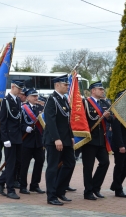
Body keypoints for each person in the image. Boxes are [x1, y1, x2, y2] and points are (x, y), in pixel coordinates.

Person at [43, 74, 75, 206]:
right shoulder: (52, 99)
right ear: (57, 85)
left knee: (70, 163)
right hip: (54, 140)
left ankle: (60, 190)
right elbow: (50, 121)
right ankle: (51, 196)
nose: (67, 87)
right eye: (65, 84)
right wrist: (56, 138)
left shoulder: (63, 99)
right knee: (52, 167)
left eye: (67, 85)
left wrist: (71, 136)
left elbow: (67, 121)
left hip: (66, 139)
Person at [0, 80, 25, 199]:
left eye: (21, 89)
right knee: (10, 164)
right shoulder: (6, 101)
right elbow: (3, 121)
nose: (20, 91)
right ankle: (10, 189)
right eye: (19, 89)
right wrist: (5, 138)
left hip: (17, 137)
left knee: (17, 162)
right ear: (12, 87)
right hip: (9, 138)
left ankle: (0, 182)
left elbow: (18, 119)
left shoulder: (18, 100)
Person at [81, 81, 111, 200]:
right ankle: (88, 191)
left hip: (101, 140)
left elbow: (112, 120)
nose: (102, 91)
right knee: (88, 167)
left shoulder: (105, 103)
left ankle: (95, 187)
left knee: (105, 162)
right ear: (93, 91)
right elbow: (80, 120)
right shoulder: (85, 103)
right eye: (100, 89)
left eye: (102, 89)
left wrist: (109, 117)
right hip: (89, 140)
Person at [19, 88, 46, 195]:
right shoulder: (22, 109)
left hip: (38, 141)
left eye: (36, 96)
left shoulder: (41, 108)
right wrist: (25, 128)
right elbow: (18, 123)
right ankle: (23, 186)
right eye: (33, 96)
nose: (36, 98)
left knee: (40, 162)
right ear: (28, 97)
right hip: (26, 141)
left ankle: (34, 185)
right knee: (24, 165)